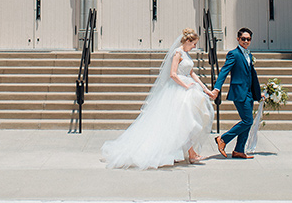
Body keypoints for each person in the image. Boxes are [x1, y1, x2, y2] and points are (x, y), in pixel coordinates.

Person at [102, 28, 215, 169]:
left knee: (184, 122)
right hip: (177, 90)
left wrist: (205, 89)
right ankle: (191, 154)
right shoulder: (177, 53)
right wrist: (185, 86)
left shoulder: (185, 54)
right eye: (193, 44)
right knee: (181, 122)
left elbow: (192, 73)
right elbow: (173, 74)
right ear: (187, 41)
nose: (194, 47)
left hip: (187, 88)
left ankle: (190, 153)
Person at [210, 27, 261, 159]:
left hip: (249, 93)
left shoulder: (249, 55)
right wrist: (217, 88)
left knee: (247, 121)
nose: (245, 41)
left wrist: (258, 92)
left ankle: (239, 150)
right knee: (248, 120)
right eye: (243, 39)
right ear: (238, 39)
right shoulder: (233, 54)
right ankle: (223, 139)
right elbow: (224, 71)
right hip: (239, 92)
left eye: (248, 39)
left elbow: (251, 75)